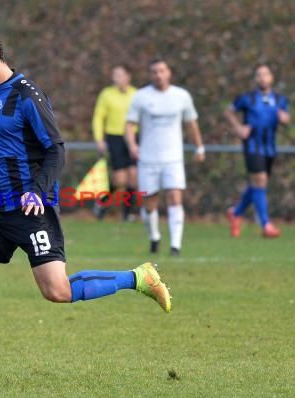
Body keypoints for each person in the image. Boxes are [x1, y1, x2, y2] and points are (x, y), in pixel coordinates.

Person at [0, 27, 172, 388]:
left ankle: (138, 278)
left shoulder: (28, 95)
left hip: (32, 209)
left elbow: (56, 148)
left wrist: (37, 192)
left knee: (56, 291)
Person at [125, 58, 205, 256]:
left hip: (173, 159)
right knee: (149, 202)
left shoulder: (181, 96)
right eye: (154, 71)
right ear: (150, 75)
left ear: (168, 72)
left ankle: (175, 246)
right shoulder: (141, 97)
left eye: (162, 70)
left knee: (175, 197)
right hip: (148, 159)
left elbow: (191, 123)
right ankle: (154, 236)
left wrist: (199, 147)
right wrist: (133, 145)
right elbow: (129, 125)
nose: (158, 75)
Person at [224, 63, 290, 238]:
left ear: (271, 77)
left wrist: (285, 119)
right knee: (259, 180)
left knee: (258, 184)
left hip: (270, 147)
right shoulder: (247, 98)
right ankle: (266, 224)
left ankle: (236, 213)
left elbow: (286, 117)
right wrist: (238, 128)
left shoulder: (280, 99)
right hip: (253, 145)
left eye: (265, 74)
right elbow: (229, 111)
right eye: (259, 75)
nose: (262, 78)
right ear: (255, 79)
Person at [92, 64, 138, 221]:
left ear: (128, 76)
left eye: (119, 75)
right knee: (119, 179)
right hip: (114, 137)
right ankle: (102, 202)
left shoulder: (136, 94)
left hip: (133, 137)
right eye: (114, 75)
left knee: (133, 176)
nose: (116, 78)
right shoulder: (107, 94)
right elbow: (98, 117)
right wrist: (99, 139)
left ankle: (127, 214)